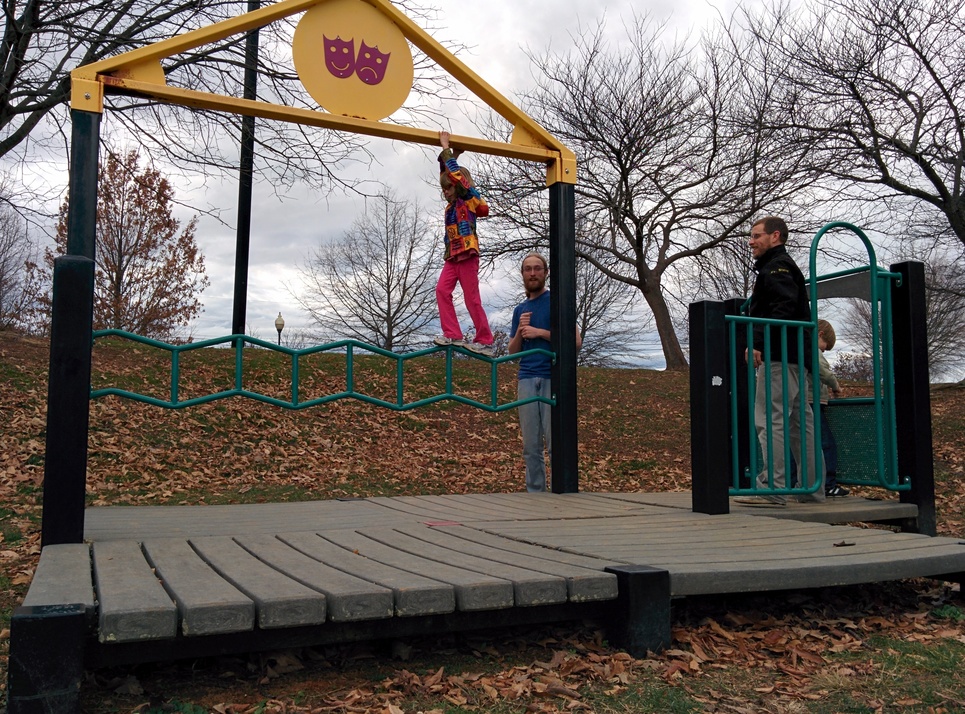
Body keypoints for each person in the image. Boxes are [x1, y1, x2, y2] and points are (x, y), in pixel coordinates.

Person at [735, 216, 825, 507]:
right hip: (796, 357)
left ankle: (772, 488)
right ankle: (811, 489)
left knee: (769, 420)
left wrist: (758, 343)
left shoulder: (776, 267)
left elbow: (782, 307)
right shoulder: (783, 266)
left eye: (756, 236)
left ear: (775, 236)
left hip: (780, 356)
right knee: (801, 425)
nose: (751, 242)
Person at [508, 252, 582, 492]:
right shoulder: (520, 309)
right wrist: (521, 331)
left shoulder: (557, 302)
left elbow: (575, 341)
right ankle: (535, 495)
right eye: (528, 269)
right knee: (530, 446)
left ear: (546, 272)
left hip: (553, 378)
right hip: (526, 379)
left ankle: (560, 493)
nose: (532, 273)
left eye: (537, 268)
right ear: (522, 274)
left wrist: (539, 332)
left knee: (555, 442)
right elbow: (512, 351)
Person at [432, 131, 494, 356]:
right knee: (441, 290)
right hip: (452, 256)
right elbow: (447, 176)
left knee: (471, 297)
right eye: (443, 189)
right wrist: (453, 156)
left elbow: (456, 178)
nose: (445, 192)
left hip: (467, 254)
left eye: (448, 189)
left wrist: (446, 149)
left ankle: (485, 340)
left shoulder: (468, 198)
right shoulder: (450, 206)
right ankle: (453, 334)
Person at [789, 319, 849, 497]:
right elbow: (822, 371)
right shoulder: (812, 351)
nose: (823, 351)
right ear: (820, 335)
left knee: (798, 443)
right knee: (825, 443)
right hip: (811, 401)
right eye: (825, 348)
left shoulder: (797, 348)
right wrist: (835, 386)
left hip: (800, 400)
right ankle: (828, 483)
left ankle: (794, 481)